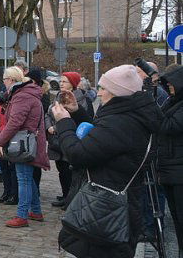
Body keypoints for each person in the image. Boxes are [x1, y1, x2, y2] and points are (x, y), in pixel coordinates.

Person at [52, 64, 160, 257]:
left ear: (117, 93)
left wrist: (63, 122)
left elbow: (78, 155)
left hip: (107, 210)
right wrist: (77, 113)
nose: (99, 94)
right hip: (115, 204)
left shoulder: (121, 122)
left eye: (103, 88)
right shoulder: (127, 115)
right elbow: (99, 138)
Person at [0, 66, 49, 228]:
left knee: (24, 179)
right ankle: (36, 211)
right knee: (28, 177)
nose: (3, 83)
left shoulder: (22, 96)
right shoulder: (26, 93)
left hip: (23, 143)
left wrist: (0, 141)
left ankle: (22, 215)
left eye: (4, 80)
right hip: (28, 141)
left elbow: (15, 122)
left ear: (11, 80)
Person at [47, 72, 91, 208]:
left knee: (71, 172)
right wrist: (49, 126)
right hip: (56, 139)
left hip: (72, 138)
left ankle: (72, 200)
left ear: (73, 84)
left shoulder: (82, 99)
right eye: (60, 81)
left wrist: (59, 126)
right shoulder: (57, 97)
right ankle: (65, 195)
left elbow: (83, 120)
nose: (61, 84)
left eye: (65, 82)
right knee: (62, 171)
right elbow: (48, 114)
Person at [157, 65, 183, 253]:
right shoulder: (172, 101)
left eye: (172, 83)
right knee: (176, 217)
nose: (169, 87)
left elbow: (169, 126)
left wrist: (150, 107)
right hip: (169, 167)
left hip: (179, 169)